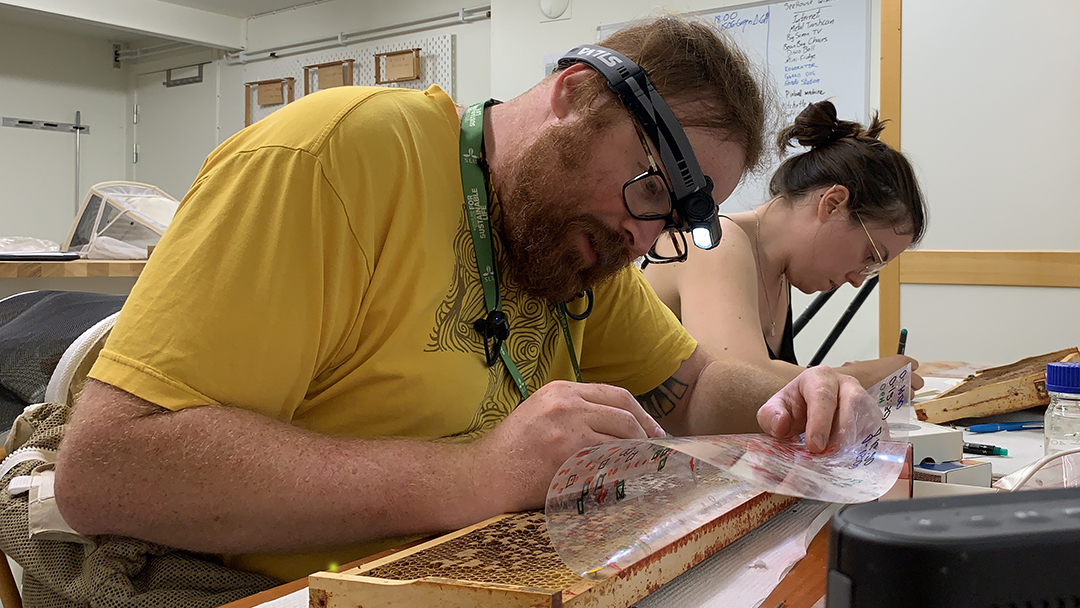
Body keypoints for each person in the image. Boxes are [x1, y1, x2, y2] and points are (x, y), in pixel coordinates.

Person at [52, 18, 880, 585]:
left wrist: (789, 393)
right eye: (651, 188)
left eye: (673, 219)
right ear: (574, 94)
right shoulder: (332, 159)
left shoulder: (583, 239)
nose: (643, 237)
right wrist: (472, 474)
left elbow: (691, 385)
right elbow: (109, 470)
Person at [644, 100, 927, 390]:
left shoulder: (778, 271)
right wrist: (862, 376)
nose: (857, 279)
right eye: (870, 256)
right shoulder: (716, 242)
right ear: (832, 204)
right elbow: (740, 384)